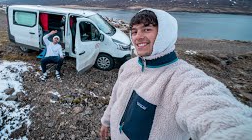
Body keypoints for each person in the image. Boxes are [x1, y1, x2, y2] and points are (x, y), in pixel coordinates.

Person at [100, 8, 252, 140]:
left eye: (147, 29)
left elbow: (212, 107)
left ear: (164, 34)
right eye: (134, 31)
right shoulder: (128, 66)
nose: (137, 37)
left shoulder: (182, 78)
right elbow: (115, 97)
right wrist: (106, 121)